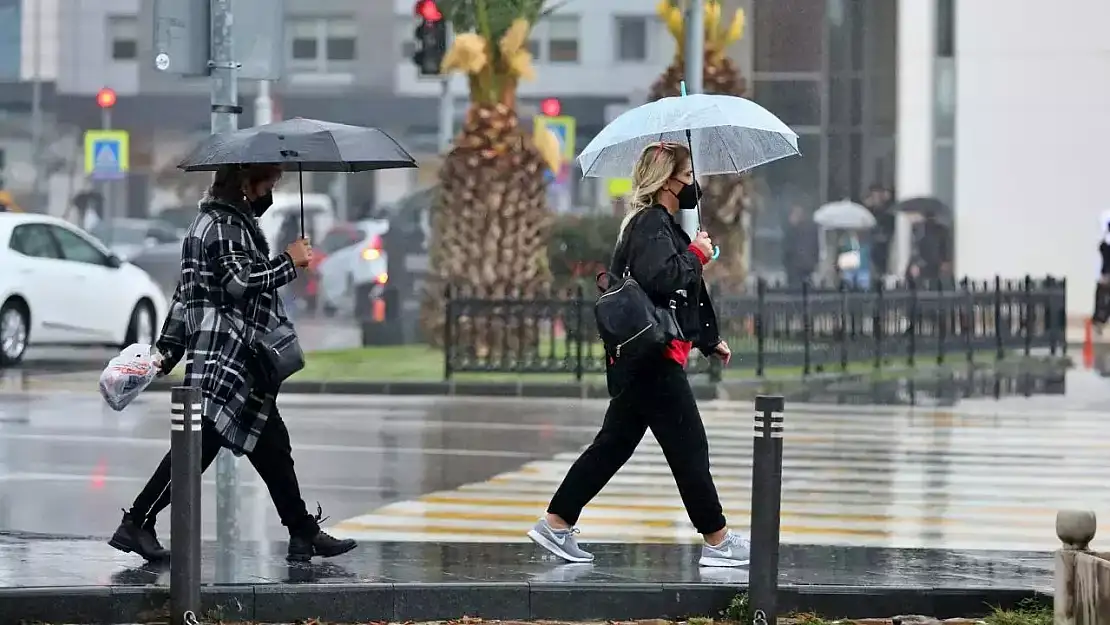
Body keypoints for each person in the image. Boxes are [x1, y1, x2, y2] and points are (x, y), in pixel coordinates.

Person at [108, 164, 357, 562]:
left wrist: (168, 349)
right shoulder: (222, 225)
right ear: (246, 183)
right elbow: (238, 282)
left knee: (273, 445)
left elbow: (186, 294)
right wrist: (289, 261)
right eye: (268, 183)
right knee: (196, 451)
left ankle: (301, 531)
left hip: (236, 362)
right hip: (226, 360)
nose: (270, 192)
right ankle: (137, 521)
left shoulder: (217, 222)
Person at [527, 142, 746, 568]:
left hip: (643, 356)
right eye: (686, 178)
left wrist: (706, 338)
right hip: (651, 359)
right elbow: (663, 278)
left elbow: (677, 296)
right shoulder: (649, 224)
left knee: (614, 444)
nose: (692, 186)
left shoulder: (658, 224)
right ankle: (718, 540)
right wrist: (696, 254)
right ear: (667, 181)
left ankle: (555, 523)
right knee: (688, 446)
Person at [782, 204, 819, 288]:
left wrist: (786, 263)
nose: (790, 218)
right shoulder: (810, 229)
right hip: (807, 266)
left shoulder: (793, 231)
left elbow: (788, 249)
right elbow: (816, 248)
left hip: (796, 268)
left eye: (792, 215)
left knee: (796, 291)